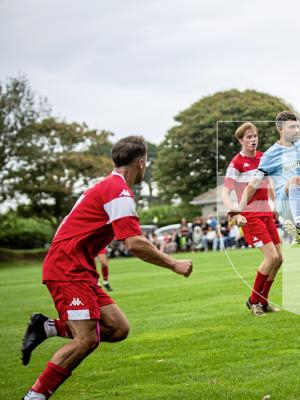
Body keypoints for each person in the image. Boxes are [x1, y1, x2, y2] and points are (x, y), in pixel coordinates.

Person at [20, 136, 193, 400]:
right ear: (141, 163)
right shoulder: (119, 191)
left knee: (117, 328)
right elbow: (135, 243)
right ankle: (35, 396)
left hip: (77, 266)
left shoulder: (107, 185)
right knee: (86, 340)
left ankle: (48, 327)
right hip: (67, 267)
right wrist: (174, 264)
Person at [229, 111, 300, 324]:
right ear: (280, 129)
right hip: (286, 201)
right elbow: (253, 186)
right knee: (295, 180)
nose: (296, 130)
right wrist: (238, 209)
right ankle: (298, 226)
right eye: (292, 127)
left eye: (298, 127)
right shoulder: (271, 154)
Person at [221, 122, 283, 316]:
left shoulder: (264, 157)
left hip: (266, 213)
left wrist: (274, 204)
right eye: (248, 137)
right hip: (250, 216)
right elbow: (225, 193)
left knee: (279, 259)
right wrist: (235, 212)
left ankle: (263, 302)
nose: (253, 139)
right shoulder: (236, 163)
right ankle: (254, 301)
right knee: (271, 257)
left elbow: (269, 182)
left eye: (254, 135)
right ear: (241, 140)